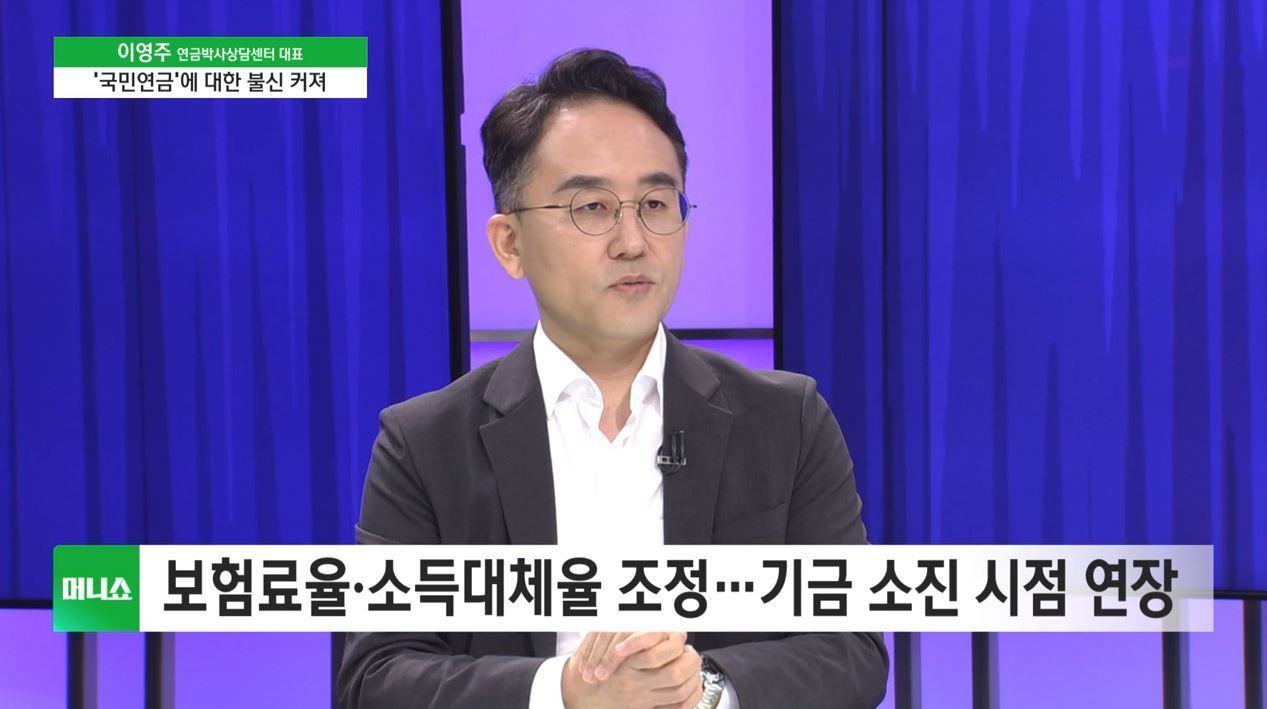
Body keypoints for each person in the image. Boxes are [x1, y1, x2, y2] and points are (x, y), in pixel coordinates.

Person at [336, 48, 888, 709]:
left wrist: (700, 688)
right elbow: (376, 677)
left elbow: (852, 647)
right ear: (509, 243)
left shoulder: (786, 421)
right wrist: (566, 691)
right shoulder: (424, 444)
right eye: (592, 207)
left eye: (655, 202)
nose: (633, 241)